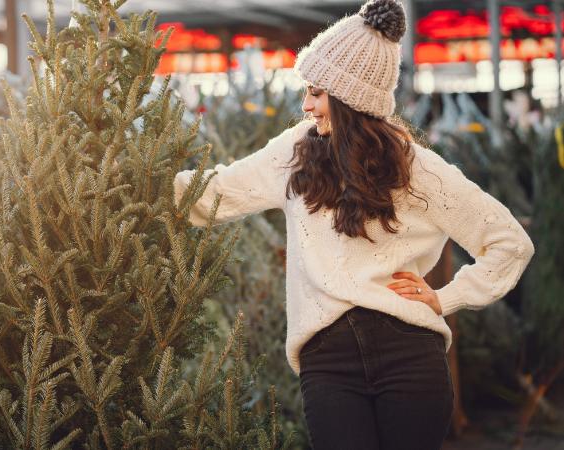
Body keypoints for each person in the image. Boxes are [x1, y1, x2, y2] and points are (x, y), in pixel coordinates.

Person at [171, 0, 536, 449]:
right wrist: (137, 180)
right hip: (329, 363)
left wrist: (446, 298)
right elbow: (216, 192)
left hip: (410, 357)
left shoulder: (417, 169)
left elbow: (509, 242)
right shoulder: (295, 153)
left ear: (349, 98)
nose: (305, 104)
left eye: (317, 92)